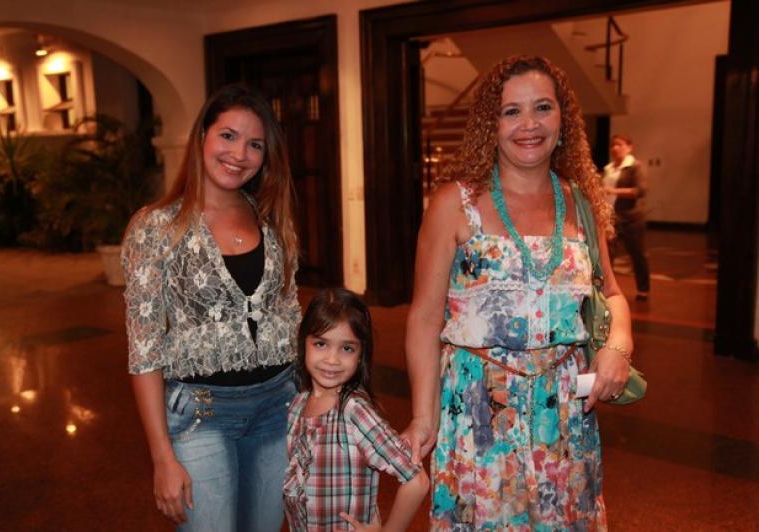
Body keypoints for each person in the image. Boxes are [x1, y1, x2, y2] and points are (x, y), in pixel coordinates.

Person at [402, 55, 633, 530]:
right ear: (492, 123)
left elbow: (611, 292)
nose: (529, 124)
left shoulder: (581, 203)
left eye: (542, 107)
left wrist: (619, 345)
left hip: (565, 416)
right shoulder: (454, 204)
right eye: (512, 111)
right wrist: (424, 418)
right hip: (479, 416)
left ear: (562, 119)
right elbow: (424, 318)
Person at [122, 83, 300, 531]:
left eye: (255, 144)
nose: (239, 154)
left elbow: (289, 318)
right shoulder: (155, 227)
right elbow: (144, 352)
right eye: (228, 136)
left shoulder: (271, 219)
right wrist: (162, 458)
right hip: (200, 416)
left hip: (277, 408)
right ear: (202, 135)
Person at [284, 287, 429, 531]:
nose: (332, 359)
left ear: (361, 354)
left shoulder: (355, 412)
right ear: (303, 342)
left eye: (347, 348)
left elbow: (417, 481)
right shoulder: (297, 406)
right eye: (321, 344)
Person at [603, 134, 650, 300]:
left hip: (631, 217)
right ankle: (608, 289)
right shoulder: (609, 168)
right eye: (613, 145)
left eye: (620, 144)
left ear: (629, 147)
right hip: (610, 217)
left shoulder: (635, 166)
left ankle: (643, 289)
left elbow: (640, 190)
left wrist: (613, 191)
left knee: (637, 253)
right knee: (607, 254)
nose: (615, 148)